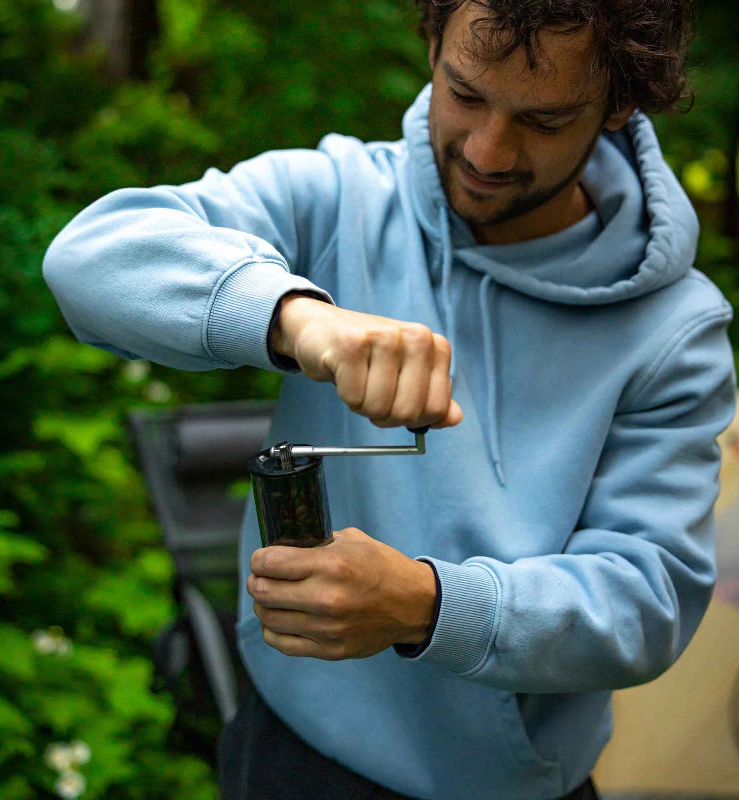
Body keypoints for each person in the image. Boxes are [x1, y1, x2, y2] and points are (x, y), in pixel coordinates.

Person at [43, 1, 737, 798]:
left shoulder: (674, 326)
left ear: (619, 105)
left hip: (509, 785)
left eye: (544, 120)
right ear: (433, 44)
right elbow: (88, 258)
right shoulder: (341, 196)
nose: (487, 150)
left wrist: (426, 605)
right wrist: (296, 317)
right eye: (465, 93)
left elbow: (645, 602)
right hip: (286, 755)